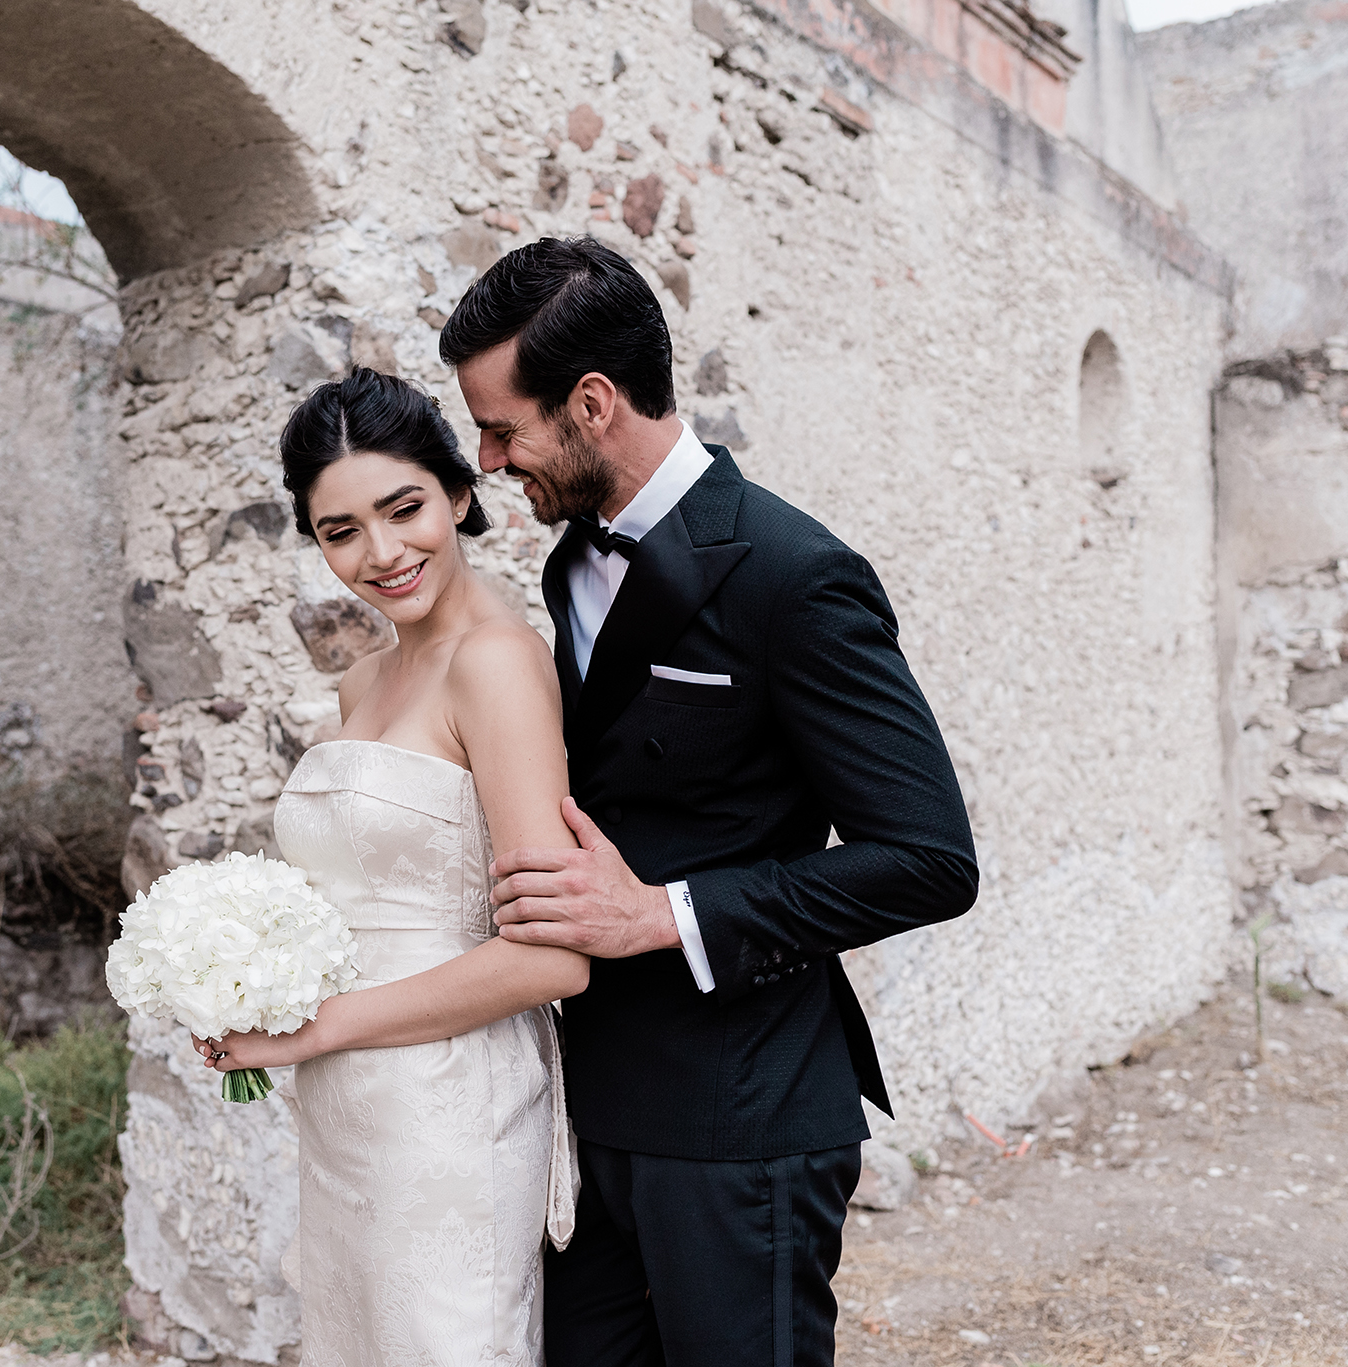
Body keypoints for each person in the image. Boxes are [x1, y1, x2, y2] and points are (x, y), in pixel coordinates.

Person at [439, 235, 980, 1366]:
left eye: (502, 427)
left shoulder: (795, 574)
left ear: (591, 403)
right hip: (589, 1117)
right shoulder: (565, 558)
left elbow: (928, 855)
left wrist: (660, 914)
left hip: (744, 1120)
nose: (487, 460)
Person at [193, 367, 586, 1367]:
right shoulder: (363, 675)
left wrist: (314, 1027)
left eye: (403, 507)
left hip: (450, 1107)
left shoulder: (494, 662)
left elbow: (549, 960)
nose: (380, 553)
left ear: (457, 492)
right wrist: (239, 976)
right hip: (345, 1105)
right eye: (339, 530)